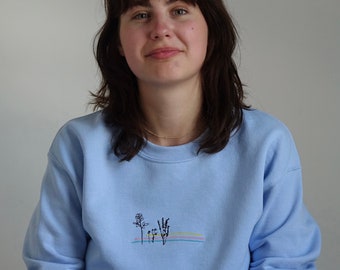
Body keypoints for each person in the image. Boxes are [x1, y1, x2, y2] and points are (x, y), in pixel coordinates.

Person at [23, 0, 321, 269]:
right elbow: (53, 264)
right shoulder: (78, 145)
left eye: (179, 10)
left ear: (211, 31)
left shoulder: (267, 143)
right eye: (141, 14)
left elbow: (285, 263)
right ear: (118, 42)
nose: (161, 29)